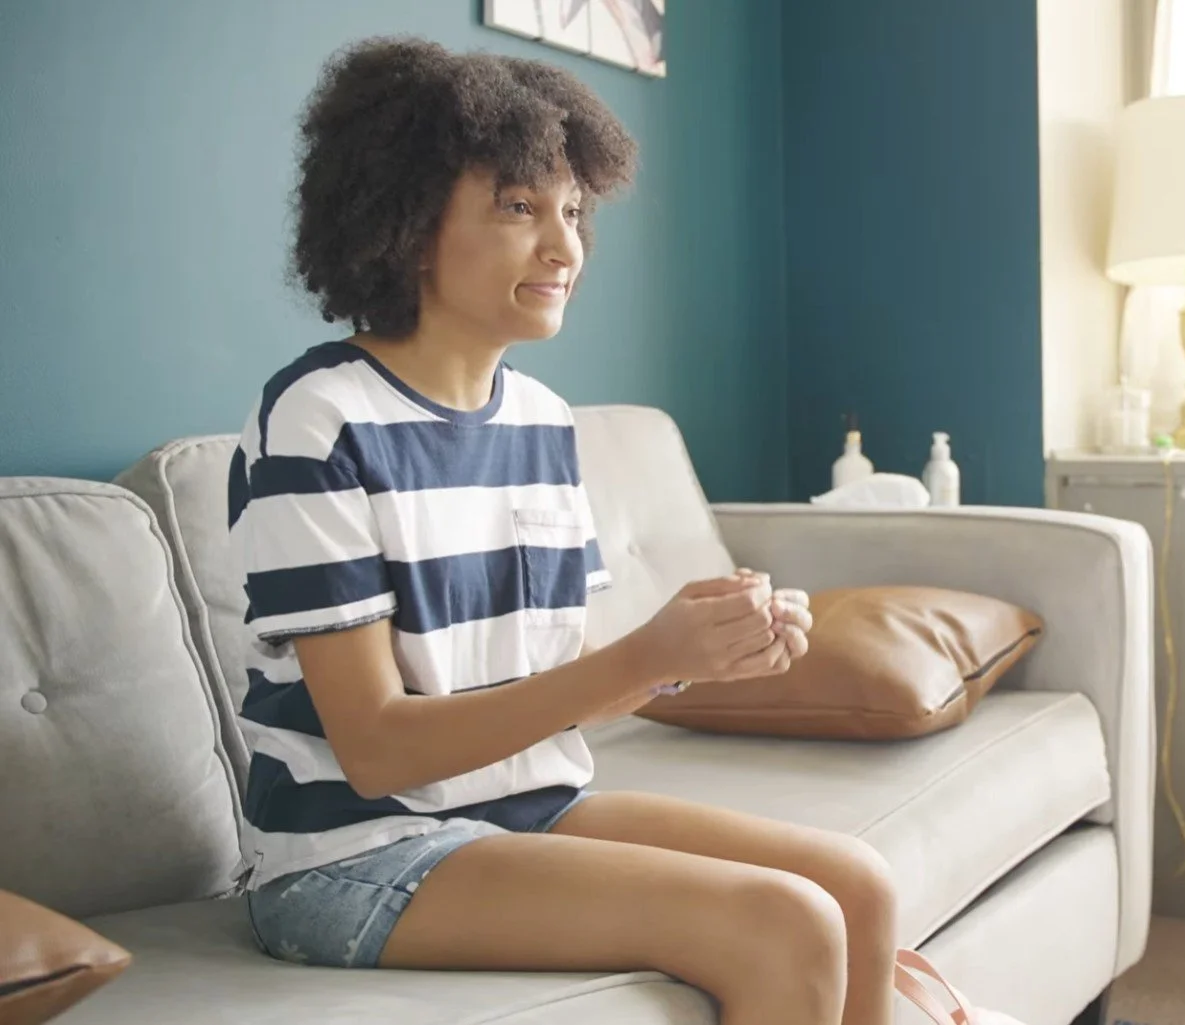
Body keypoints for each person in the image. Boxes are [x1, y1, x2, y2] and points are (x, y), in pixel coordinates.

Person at [229, 37, 899, 1025]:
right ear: (408, 223)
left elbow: (553, 680)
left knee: (859, 886)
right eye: (518, 207)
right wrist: (644, 655)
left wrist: (693, 654)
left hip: (527, 806)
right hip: (353, 852)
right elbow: (372, 749)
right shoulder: (318, 419)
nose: (564, 247)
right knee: (785, 922)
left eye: (574, 211)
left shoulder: (543, 422)